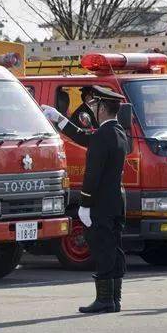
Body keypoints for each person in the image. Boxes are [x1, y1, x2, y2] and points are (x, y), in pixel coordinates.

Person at [41, 85, 128, 313]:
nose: (92, 110)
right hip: (116, 202)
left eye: (94, 106)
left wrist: (85, 204)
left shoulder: (103, 136)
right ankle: (114, 299)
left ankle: (105, 300)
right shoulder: (118, 133)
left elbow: (92, 175)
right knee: (114, 248)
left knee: (102, 249)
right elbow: (81, 136)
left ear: (101, 109)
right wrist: (58, 118)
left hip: (101, 204)